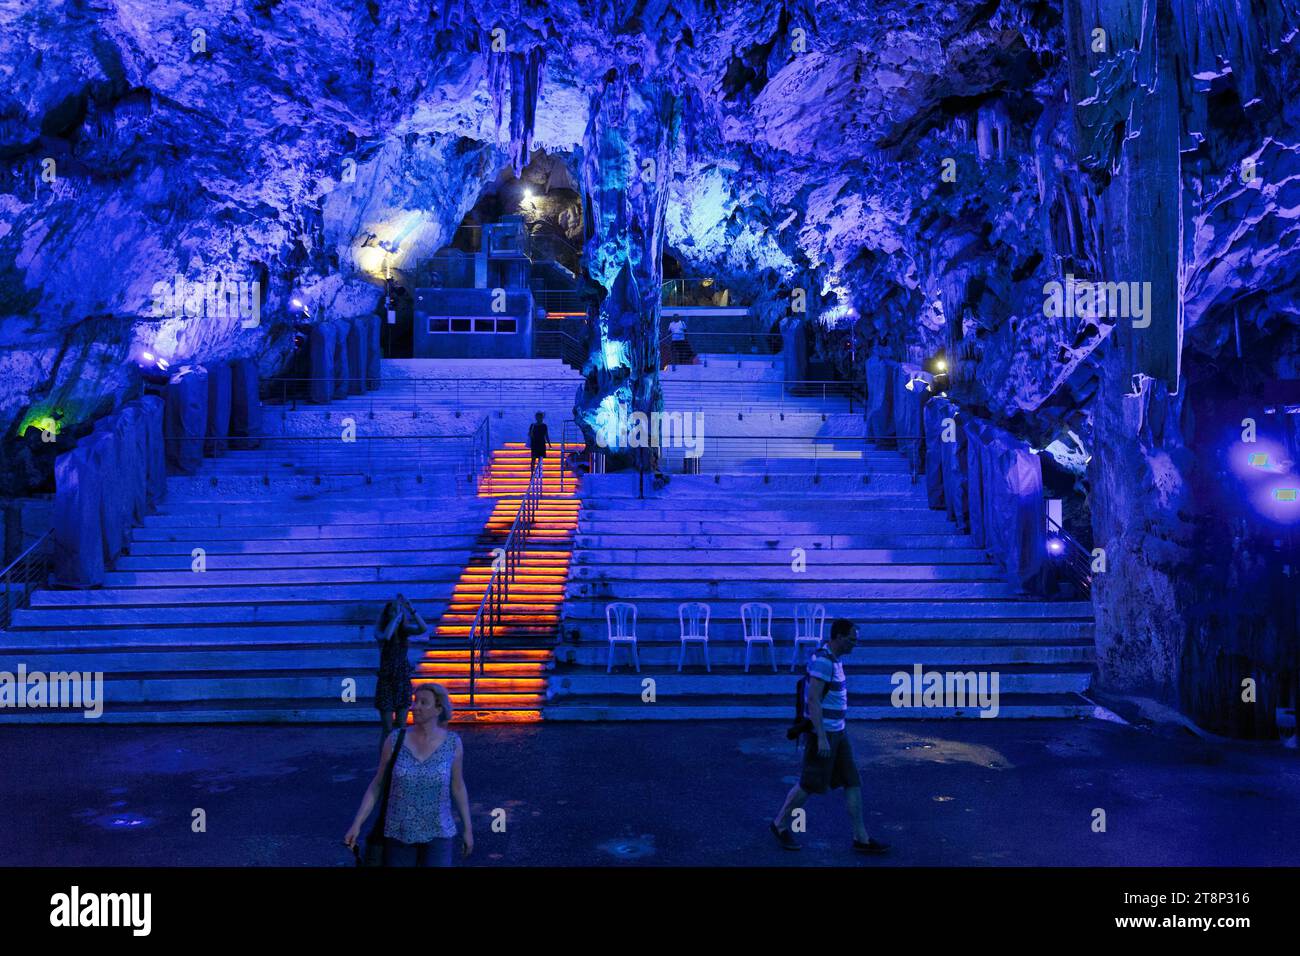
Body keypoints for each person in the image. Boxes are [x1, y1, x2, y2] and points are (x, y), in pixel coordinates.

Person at [770, 618, 891, 855]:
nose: (854, 644)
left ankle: (861, 837)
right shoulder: (824, 662)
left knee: (852, 782)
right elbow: (813, 700)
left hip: (838, 732)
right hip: (824, 735)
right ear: (838, 637)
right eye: (851, 639)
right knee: (808, 785)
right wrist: (822, 738)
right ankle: (780, 824)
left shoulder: (835, 660)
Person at [344, 683, 474, 867]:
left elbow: (458, 787)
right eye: (415, 701)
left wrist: (468, 829)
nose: (415, 707)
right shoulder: (395, 739)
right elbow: (377, 785)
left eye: (423, 702)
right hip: (399, 833)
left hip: (438, 831)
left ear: (438, 709)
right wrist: (357, 824)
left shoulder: (452, 743)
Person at [374, 593, 428, 739]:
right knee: (387, 728)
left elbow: (423, 628)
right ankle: (385, 760)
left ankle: (399, 759)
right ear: (387, 614)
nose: (397, 612)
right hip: (386, 681)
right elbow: (387, 636)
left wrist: (411, 609)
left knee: (401, 725)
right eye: (393, 609)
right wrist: (396, 618)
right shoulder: (379, 630)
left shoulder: (405, 631)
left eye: (398, 610)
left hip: (402, 679)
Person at [527, 411, 550, 475]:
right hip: (537, 444)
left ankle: (537, 473)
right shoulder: (534, 425)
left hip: (539, 444)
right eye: (538, 417)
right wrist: (549, 444)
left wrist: (549, 444)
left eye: (540, 417)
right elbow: (546, 435)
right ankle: (533, 473)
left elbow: (546, 435)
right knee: (534, 459)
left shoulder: (543, 426)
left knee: (538, 460)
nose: (539, 418)